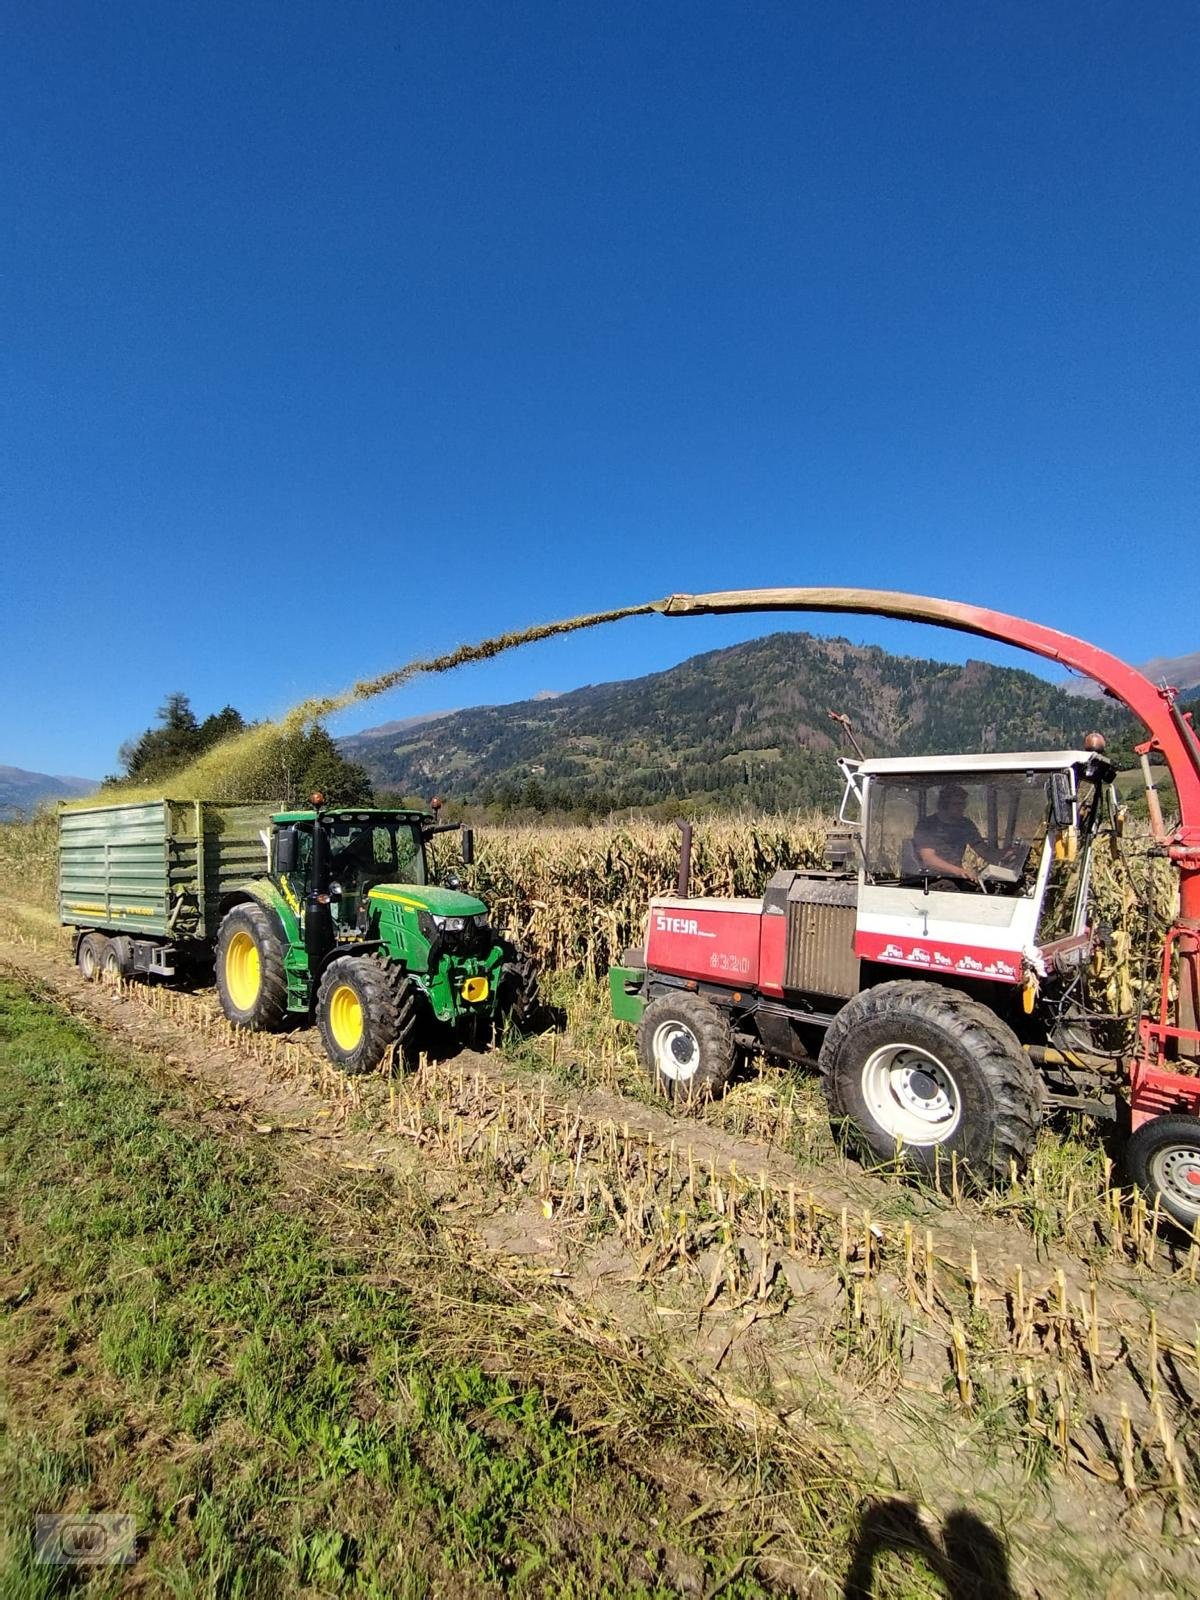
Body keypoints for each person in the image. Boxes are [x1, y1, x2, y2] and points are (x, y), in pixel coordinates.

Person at [911, 784, 1013, 883]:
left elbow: (984, 851)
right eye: (956, 804)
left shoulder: (965, 824)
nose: (961, 808)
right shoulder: (927, 825)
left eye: (963, 804)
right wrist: (958, 871)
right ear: (944, 804)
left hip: (956, 878)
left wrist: (1006, 853)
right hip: (932, 880)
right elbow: (929, 859)